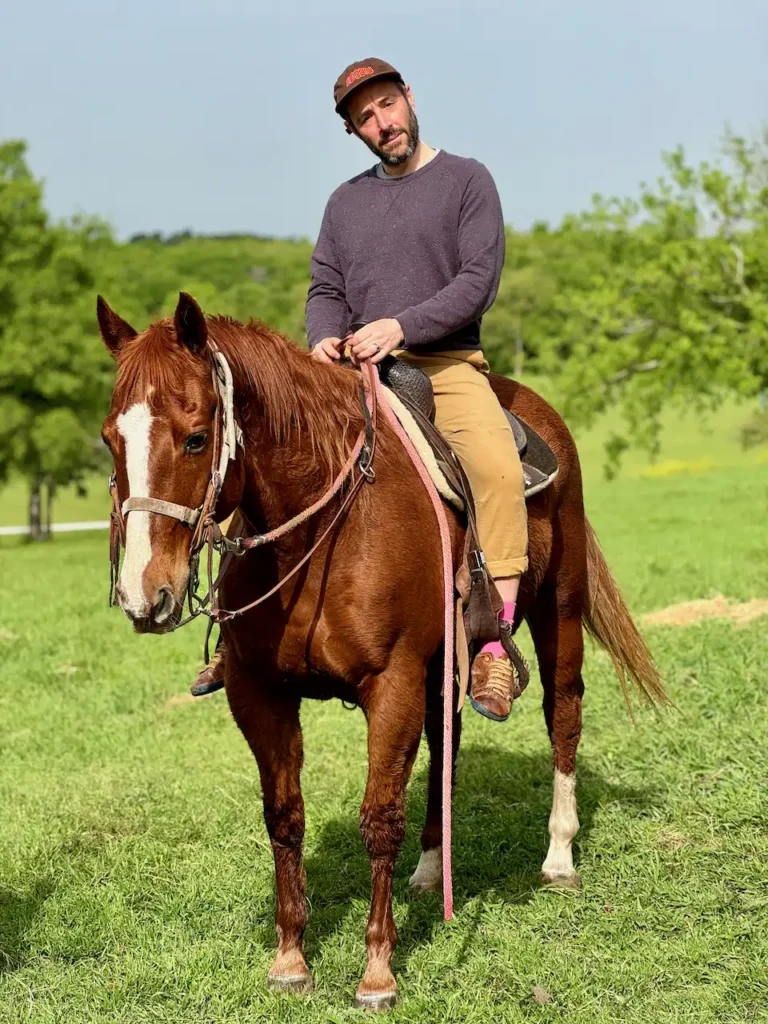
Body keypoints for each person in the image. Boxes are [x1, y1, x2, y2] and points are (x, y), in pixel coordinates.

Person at [305, 58, 528, 721]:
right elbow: (325, 287)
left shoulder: (467, 180)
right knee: (274, 451)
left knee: (495, 470)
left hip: (444, 365)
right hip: (354, 374)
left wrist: (400, 326)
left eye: (386, 106)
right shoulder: (345, 201)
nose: (382, 123)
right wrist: (322, 335)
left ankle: (494, 643)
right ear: (354, 132)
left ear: (408, 98)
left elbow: (476, 281)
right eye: (364, 118)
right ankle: (241, 632)